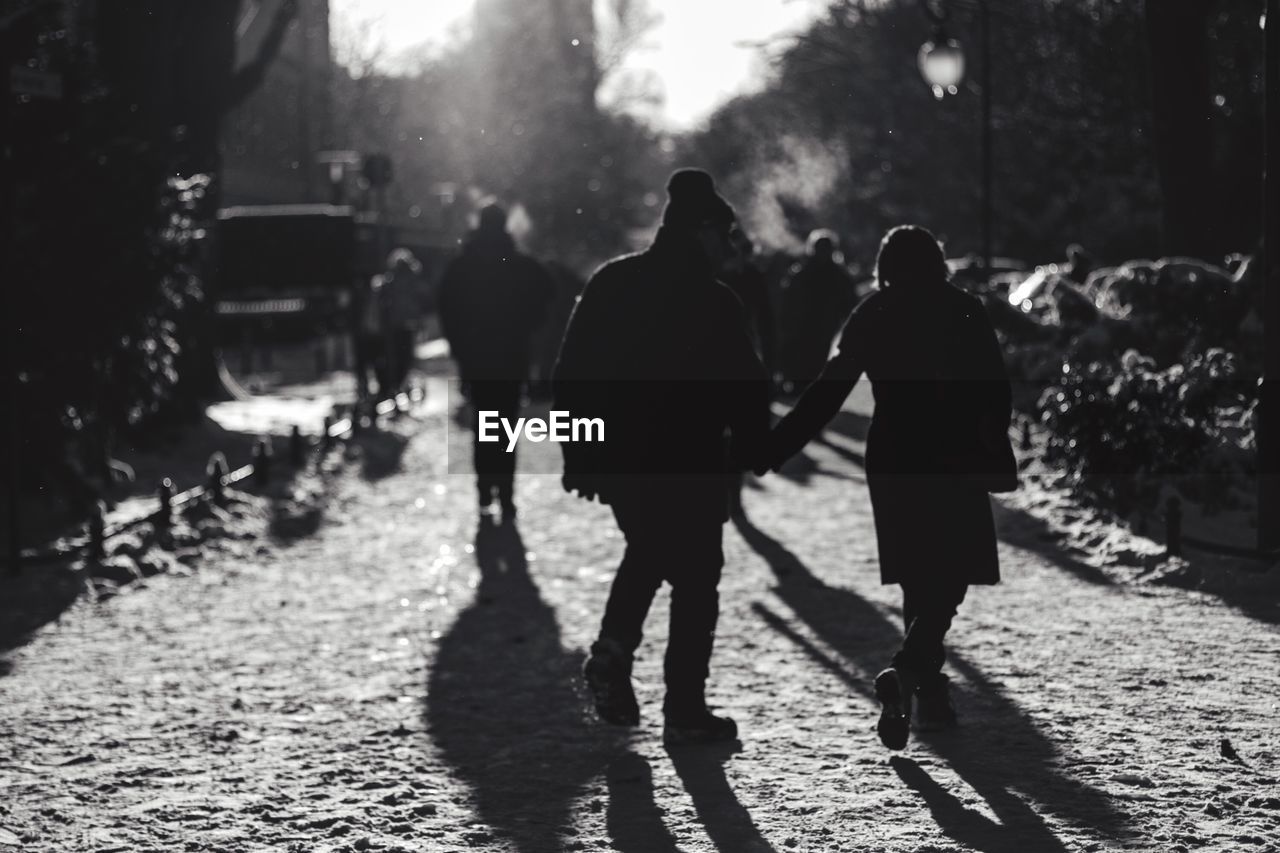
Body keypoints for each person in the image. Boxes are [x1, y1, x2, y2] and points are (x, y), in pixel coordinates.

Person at [762, 225, 1017, 751]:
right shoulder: (962, 308)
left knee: (917, 574)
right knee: (952, 572)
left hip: (894, 453)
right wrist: (993, 448)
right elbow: (994, 390)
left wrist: (777, 445)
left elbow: (828, 391)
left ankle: (928, 695)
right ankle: (911, 673)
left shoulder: (873, 312)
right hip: (954, 452)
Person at [553, 169, 771, 743]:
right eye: (724, 235)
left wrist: (581, 452)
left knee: (650, 550)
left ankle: (617, 657)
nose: (729, 247)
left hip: (625, 458)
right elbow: (746, 388)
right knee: (696, 575)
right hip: (691, 457)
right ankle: (681, 704)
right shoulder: (714, 301)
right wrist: (755, 444)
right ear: (701, 231)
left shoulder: (613, 282)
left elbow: (573, 375)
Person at [439, 203, 554, 519]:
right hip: (511, 357)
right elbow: (546, 294)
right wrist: (527, 326)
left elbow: (447, 308)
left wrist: (460, 347)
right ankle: (505, 492)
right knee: (505, 428)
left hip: (476, 359)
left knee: (483, 427)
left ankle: (484, 491)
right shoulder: (516, 262)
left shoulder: (464, 266)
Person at [779, 229, 858, 391]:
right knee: (806, 353)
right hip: (807, 324)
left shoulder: (831, 273)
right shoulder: (806, 272)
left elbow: (849, 300)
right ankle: (800, 383)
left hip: (822, 325)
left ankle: (804, 384)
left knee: (814, 355)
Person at [376, 248, 424, 395]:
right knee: (404, 357)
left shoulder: (388, 281)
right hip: (405, 325)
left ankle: (394, 386)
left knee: (394, 357)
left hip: (393, 326)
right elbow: (416, 304)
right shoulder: (410, 280)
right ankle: (398, 385)